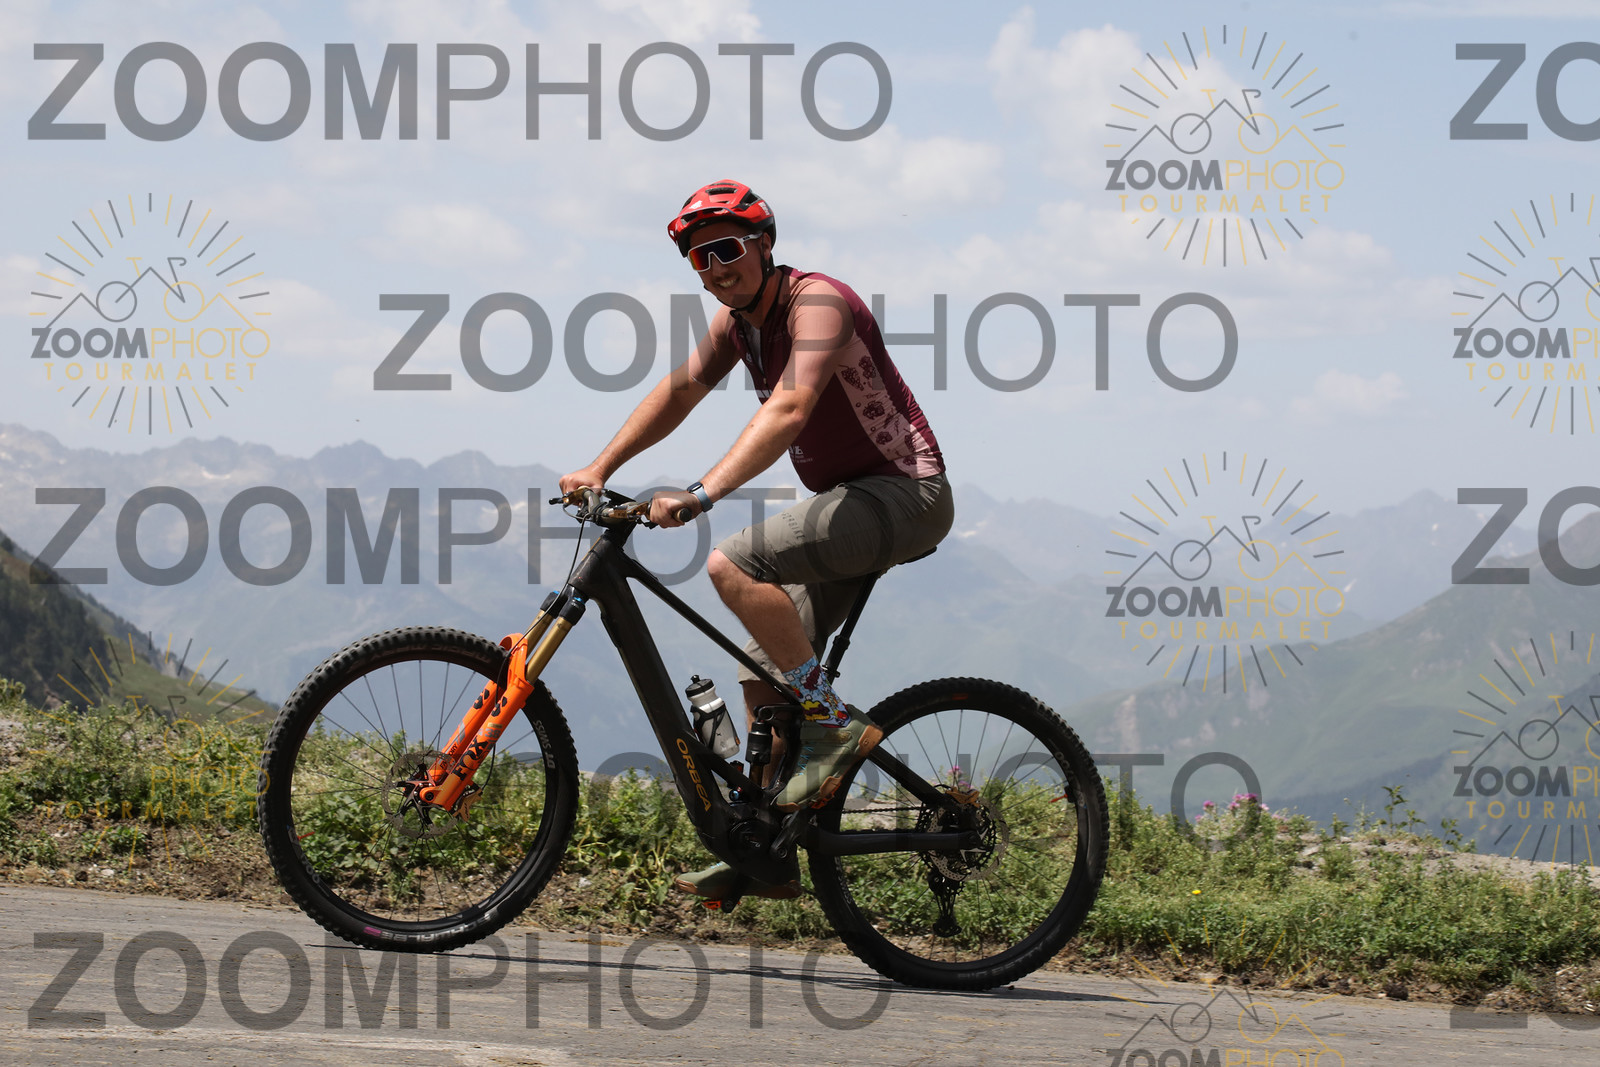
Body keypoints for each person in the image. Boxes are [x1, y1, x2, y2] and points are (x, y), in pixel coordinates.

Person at [558, 179, 952, 899]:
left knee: (733, 562)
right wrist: (601, 466)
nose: (716, 268)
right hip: (848, 501)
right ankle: (763, 846)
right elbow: (680, 390)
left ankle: (834, 725)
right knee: (761, 669)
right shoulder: (737, 325)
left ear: (765, 244)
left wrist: (702, 492)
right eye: (699, 258)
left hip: (906, 493)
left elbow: (791, 406)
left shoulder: (818, 303)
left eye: (728, 249)